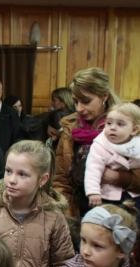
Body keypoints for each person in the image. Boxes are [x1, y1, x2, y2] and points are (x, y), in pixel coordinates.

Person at [53, 67, 126, 218]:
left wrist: (117, 177)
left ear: (104, 96)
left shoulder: (126, 126)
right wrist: (68, 217)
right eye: (75, 102)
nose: (80, 108)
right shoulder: (69, 128)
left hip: (118, 211)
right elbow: (61, 181)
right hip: (78, 210)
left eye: (86, 101)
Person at [86, 103, 140, 212]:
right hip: (108, 196)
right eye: (109, 123)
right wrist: (93, 192)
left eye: (120, 124)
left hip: (134, 194)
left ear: (134, 130)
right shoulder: (100, 145)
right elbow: (93, 169)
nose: (113, 128)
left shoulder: (137, 144)